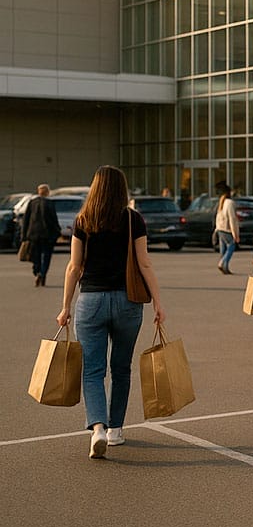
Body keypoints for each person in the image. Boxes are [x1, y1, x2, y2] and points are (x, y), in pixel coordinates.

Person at [57, 165, 165, 459]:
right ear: (122, 189)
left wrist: (65, 306)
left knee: (92, 371)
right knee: (121, 368)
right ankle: (116, 429)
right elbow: (144, 263)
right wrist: (158, 302)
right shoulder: (133, 219)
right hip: (128, 301)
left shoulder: (83, 220)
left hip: (91, 301)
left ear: (95, 187)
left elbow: (74, 267)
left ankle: (98, 429)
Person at [22, 183, 61, 287]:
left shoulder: (32, 203)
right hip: (47, 235)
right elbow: (53, 220)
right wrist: (57, 232)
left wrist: (24, 235)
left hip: (33, 234)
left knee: (36, 256)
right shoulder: (49, 204)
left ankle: (37, 271)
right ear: (47, 192)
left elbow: (26, 220)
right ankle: (42, 273)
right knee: (46, 256)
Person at [214, 183, 239, 274]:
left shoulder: (221, 202)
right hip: (226, 228)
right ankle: (222, 263)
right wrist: (235, 233)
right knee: (231, 245)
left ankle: (225, 267)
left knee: (223, 249)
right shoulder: (230, 203)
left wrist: (216, 229)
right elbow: (232, 218)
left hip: (220, 228)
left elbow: (218, 216)